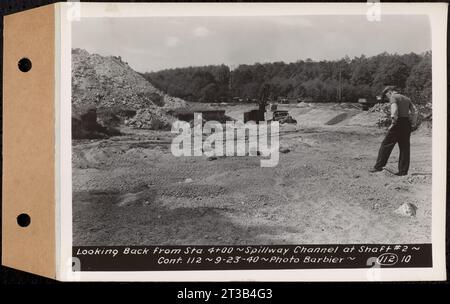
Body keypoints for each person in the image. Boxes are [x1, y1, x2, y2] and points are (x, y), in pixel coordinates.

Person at [369, 86, 418, 176]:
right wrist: (413, 124)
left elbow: (394, 109)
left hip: (398, 122)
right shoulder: (407, 98)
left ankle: (378, 166)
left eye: (386, 95)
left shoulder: (394, 97)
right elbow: (415, 111)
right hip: (406, 123)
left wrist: (393, 121)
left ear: (390, 92)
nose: (387, 97)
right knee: (404, 148)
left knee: (386, 144)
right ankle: (403, 171)